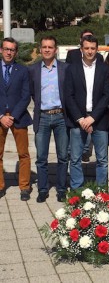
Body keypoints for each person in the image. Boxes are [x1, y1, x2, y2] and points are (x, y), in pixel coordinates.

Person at [64, 35, 109, 189]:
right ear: (81, 49)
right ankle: (77, 190)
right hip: (77, 120)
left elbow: (106, 95)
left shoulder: (105, 68)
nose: (90, 51)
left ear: (97, 49)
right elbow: (68, 95)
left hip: (99, 119)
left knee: (102, 159)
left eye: (93, 48)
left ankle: (100, 191)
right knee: (75, 158)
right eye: (87, 48)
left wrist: (92, 118)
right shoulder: (72, 68)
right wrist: (80, 118)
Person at [29, 36, 69, 203]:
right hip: (43, 116)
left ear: (55, 49)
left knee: (62, 156)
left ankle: (61, 189)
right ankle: (43, 189)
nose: (47, 50)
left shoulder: (65, 68)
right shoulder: (33, 69)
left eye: (50, 47)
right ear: (40, 49)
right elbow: (32, 92)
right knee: (41, 157)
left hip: (61, 116)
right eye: (44, 47)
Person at [0, 37, 32, 201]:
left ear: (16, 52)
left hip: (18, 117)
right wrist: (1, 116)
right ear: (1, 50)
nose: (9, 52)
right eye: (6, 49)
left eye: (12, 49)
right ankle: (0, 186)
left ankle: (24, 187)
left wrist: (12, 116)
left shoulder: (23, 70)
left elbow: (26, 96)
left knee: (24, 154)